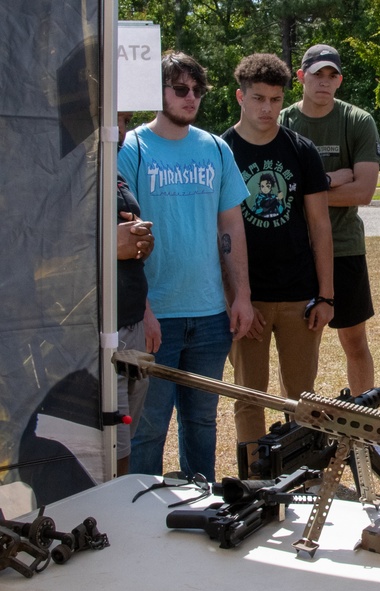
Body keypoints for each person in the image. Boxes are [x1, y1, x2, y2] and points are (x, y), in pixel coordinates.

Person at [118, 51, 253, 481]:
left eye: (197, 90)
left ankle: (204, 508)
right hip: (156, 318)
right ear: (158, 93)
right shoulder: (132, 149)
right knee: (148, 430)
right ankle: (139, 517)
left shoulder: (215, 148)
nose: (190, 97)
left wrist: (242, 297)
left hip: (211, 317)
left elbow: (230, 225)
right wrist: (143, 311)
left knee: (202, 424)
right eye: (180, 89)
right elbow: (123, 237)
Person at [220, 54, 334, 457]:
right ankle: (253, 473)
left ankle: (301, 466)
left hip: (299, 295)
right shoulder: (222, 150)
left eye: (274, 99)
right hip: (247, 301)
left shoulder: (301, 150)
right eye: (257, 98)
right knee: (249, 396)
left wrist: (326, 295)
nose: (267, 108)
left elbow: (320, 227)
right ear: (240, 97)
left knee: (302, 397)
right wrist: (237, 298)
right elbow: (219, 235)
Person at [279, 44, 380, 397]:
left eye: (331, 75)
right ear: (300, 77)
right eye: (316, 74)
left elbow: (363, 192)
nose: (324, 82)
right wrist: (331, 179)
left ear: (340, 80)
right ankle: (298, 430)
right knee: (298, 347)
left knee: (354, 340)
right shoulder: (283, 122)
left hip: (344, 247)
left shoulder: (357, 121)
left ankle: (364, 426)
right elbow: (278, 194)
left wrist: (306, 192)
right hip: (295, 252)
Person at [115, 111, 155, 476]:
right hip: (97, 335)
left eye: (125, 120)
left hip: (132, 324)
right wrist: (110, 244)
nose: (121, 129)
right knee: (111, 449)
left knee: (128, 434)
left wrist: (141, 243)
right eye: (113, 118)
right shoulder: (62, 179)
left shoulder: (116, 176)